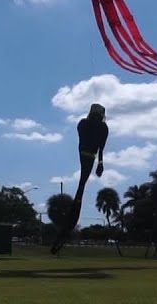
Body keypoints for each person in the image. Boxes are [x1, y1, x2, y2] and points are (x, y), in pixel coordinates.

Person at [50, 103, 109, 255]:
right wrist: (100, 163)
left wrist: (100, 163)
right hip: (88, 156)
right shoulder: (100, 127)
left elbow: (92, 144)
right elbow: (99, 147)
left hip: (85, 155)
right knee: (80, 189)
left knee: (80, 189)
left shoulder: (85, 124)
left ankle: (66, 229)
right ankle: (67, 227)